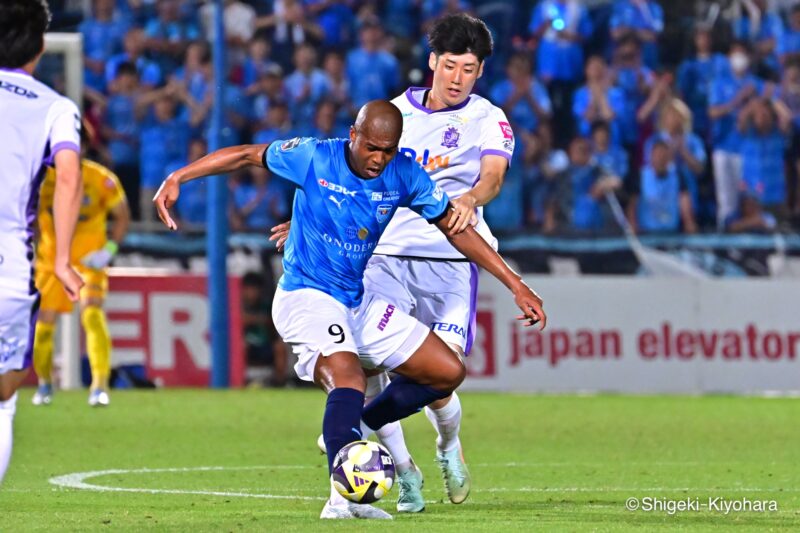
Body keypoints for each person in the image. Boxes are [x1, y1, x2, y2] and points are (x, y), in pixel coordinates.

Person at [153, 100, 546, 519]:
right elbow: (249, 154)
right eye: (372, 147)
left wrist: (515, 283)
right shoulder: (314, 156)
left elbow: (455, 227)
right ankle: (340, 502)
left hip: (354, 300)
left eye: (388, 150)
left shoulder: (405, 174)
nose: (379, 159)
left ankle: (355, 429)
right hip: (305, 296)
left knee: (447, 371)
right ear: (353, 135)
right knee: (349, 374)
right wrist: (179, 176)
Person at [273, 13, 513, 512]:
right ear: (432, 62)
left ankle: (446, 446)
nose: (457, 78)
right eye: (450, 66)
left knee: (436, 379)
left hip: (450, 257)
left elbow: (493, 175)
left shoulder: (489, 118)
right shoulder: (393, 116)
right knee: (366, 365)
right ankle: (399, 471)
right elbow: (349, 178)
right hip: (383, 256)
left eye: (468, 69)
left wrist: (470, 196)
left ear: (480, 72)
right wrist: (311, 224)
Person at [0, 0, 84, 483]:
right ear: (40, 46)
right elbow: (68, 177)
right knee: (4, 395)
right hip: (9, 265)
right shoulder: (55, 106)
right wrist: (64, 260)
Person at [32, 128, 130, 407]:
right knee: (43, 328)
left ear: (86, 147)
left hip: (89, 261)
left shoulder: (101, 179)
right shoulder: (43, 179)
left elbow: (122, 216)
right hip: (52, 260)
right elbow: (30, 214)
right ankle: (45, 383)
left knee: (92, 317)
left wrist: (108, 251)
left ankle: (99, 386)